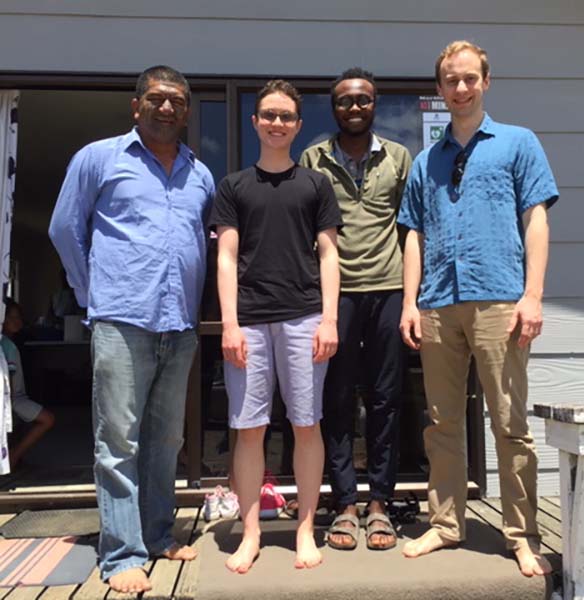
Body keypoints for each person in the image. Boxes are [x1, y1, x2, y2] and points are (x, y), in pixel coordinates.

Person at [49, 65, 214, 593]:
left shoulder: (200, 174)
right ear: (136, 105)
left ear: (187, 112)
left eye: (178, 102)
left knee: (166, 439)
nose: (168, 109)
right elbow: (64, 228)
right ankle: (122, 555)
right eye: (158, 99)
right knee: (118, 440)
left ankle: (159, 534)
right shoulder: (99, 158)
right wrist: (89, 292)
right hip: (122, 321)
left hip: (180, 324)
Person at [398, 41, 559, 576]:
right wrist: (410, 303)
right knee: (442, 422)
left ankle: (522, 534)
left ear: (486, 82)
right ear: (440, 88)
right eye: (450, 80)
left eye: (469, 78)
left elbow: (536, 218)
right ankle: (446, 525)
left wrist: (532, 294)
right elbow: (414, 235)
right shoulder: (426, 160)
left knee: (510, 423)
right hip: (439, 304)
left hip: (500, 300)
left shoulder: (518, 143)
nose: (460, 88)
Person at [211, 79, 341, 573]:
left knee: (307, 425)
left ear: (298, 125)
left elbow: (330, 254)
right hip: (248, 322)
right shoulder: (234, 186)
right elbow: (225, 257)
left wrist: (329, 318)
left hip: (306, 318)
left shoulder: (314, 184)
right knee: (249, 430)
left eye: (286, 116)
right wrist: (229, 324)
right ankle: (251, 533)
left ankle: (306, 529)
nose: (277, 123)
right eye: (269, 114)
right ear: (255, 121)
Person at [300, 68, 411, 550]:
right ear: (334, 108)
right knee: (337, 399)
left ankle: (380, 504)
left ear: (375, 104)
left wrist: (413, 300)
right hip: (335, 296)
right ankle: (344, 504)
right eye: (344, 101)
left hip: (388, 290)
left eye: (362, 100)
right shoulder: (312, 157)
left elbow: (412, 234)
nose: (354, 108)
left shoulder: (400, 157)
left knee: (387, 399)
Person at [1, 298, 55, 469]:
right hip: (12, 400)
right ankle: (14, 456)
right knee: (47, 419)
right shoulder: (7, 345)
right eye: (11, 317)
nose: (17, 321)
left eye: (19, 317)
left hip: (15, 399)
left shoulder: (11, 343)